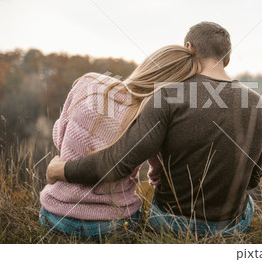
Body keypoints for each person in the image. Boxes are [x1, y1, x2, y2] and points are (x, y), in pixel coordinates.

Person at [46, 22, 262, 236]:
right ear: (227, 59)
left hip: (170, 221)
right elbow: (253, 180)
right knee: (247, 203)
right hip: (230, 225)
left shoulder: (167, 96)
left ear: (189, 48)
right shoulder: (260, 104)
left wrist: (59, 170)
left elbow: (119, 163)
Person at [39, 45, 201, 240]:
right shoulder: (153, 117)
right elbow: (158, 175)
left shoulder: (88, 82)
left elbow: (59, 135)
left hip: (56, 216)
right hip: (113, 224)